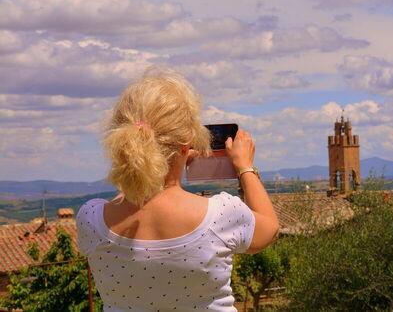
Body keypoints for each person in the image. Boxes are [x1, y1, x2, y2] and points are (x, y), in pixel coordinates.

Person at [76, 67, 279, 311]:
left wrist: (146, 170)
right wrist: (245, 167)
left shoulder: (91, 218)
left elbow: (134, 201)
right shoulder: (221, 215)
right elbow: (269, 229)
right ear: (187, 143)